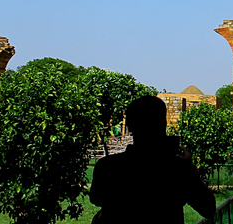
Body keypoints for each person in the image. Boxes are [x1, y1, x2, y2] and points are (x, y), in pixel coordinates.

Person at [90, 95, 215, 223]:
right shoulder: (176, 169)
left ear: (130, 125)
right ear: (163, 124)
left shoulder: (108, 167)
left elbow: (96, 198)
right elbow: (208, 208)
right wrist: (189, 169)